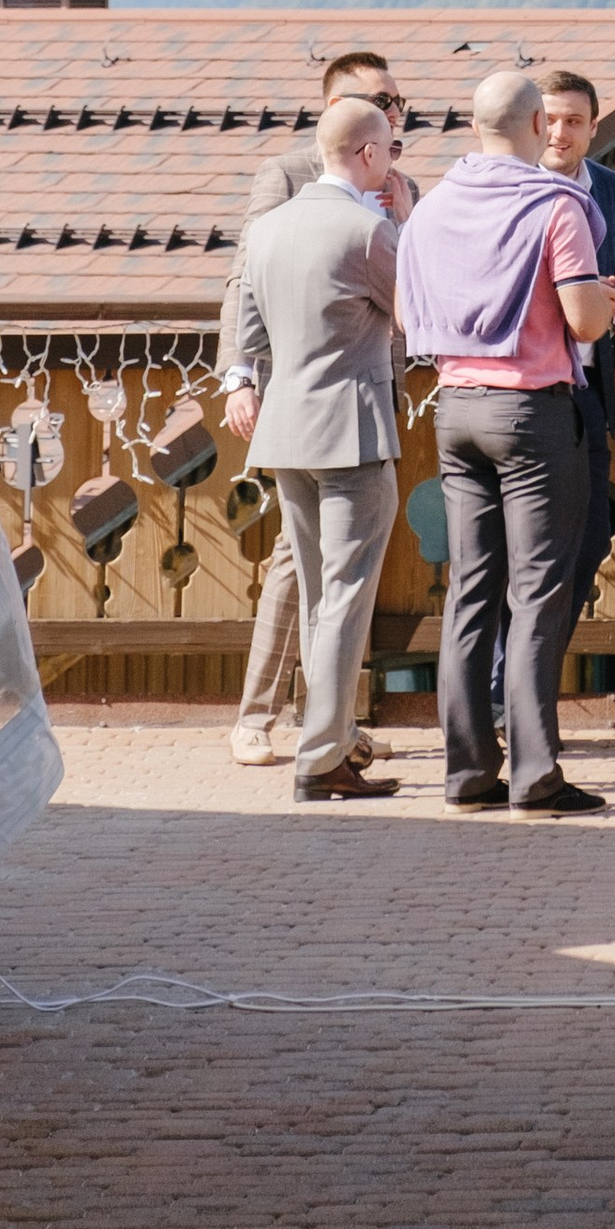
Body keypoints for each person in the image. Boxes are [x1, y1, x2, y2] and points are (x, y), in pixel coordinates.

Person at [395, 67, 615, 815]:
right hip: (532, 413)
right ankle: (536, 773)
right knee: (538, 592)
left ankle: (466, 772)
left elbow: (406, 319)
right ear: (537, 128)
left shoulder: (429, 210)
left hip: (455, 406)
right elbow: (586, 322)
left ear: (475, 128)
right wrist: (603, 301)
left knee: (470, 590)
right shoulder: (556, 205)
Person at [219, 48, 413, 769]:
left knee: (316, 585)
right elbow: (416, 312)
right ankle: (323, 749)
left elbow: (253, 305)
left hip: (287, 428)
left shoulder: (278, 229)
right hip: (352, 422)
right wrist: (236, 377)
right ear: (362, 145)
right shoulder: (361, 224)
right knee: (342, 592)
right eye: (386, 124)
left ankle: (326, 732)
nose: (397, 137)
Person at [536, 68, 615, 643]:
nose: (561, 132)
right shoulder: (507, 187)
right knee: (525, 554)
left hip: (589, 391)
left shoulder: (608, 184)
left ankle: (528, 684)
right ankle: (505, 696)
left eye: (574, 121)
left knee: (591, 539)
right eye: (550, 119)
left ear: (593, 126)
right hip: (526, 392)